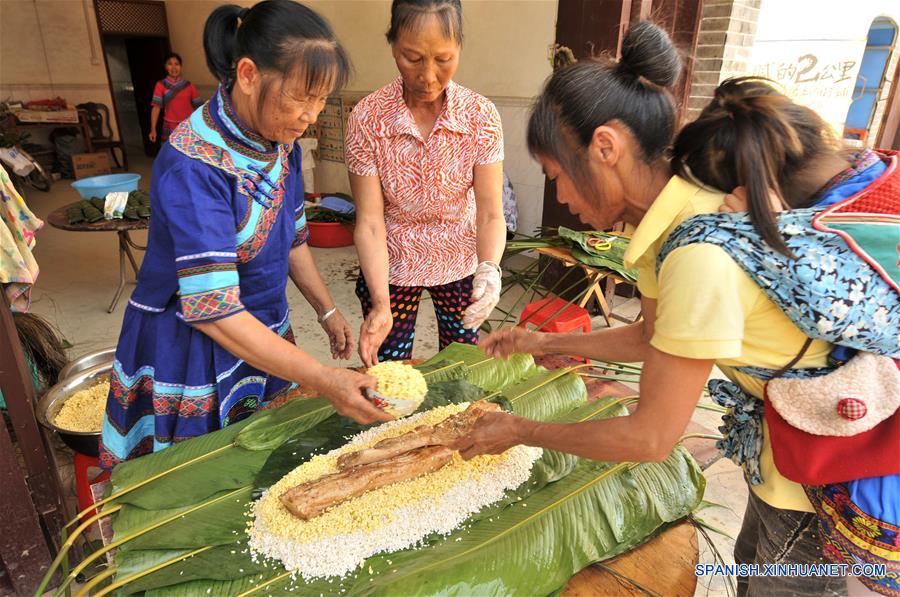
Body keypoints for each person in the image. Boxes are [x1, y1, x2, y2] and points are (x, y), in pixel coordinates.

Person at [452, 22, 896, 596]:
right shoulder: (668, 220)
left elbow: (651, 436)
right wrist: (542, 343)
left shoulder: (696, 250)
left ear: (605, 147)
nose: (560, 198)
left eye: (557, 176)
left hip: (823, 470)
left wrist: (518, 430)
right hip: (781, 451)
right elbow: (652, 338)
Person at [100, 0, 390, 471]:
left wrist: (328, 310)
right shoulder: (195, 165)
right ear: (250, 74)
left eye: (321, 100)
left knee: (266, 459)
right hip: (194, 346)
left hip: (265, 330)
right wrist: (325, 378)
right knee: (207, 475)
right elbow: (214, 312)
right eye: (301, 97)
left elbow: (292, 239)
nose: (311, 115)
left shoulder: (281, 143)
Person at [345, 0, 506, 367]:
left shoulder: (481, 117)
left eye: (444, 59)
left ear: (460, 47)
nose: (428, 75)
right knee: (390, 369)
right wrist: (381, 305)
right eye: (412, 58)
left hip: (460, 260)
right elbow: (369, 222)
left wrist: (490, 269)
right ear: (392, 46)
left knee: (460, 364)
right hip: (393, 263)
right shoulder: (368, 118)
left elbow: (490, 214)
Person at [149, 52, 202, 143]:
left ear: (181, 67)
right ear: (166, 67)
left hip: (188, 126)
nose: (173, 67)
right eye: (170, 64)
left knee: (189, 155)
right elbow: (156, 108)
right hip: (170, 127)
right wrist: (153, 129)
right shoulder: (160, 85)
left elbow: (199, 107)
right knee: (171, 155)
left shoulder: (188, 85)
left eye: (176, 64)